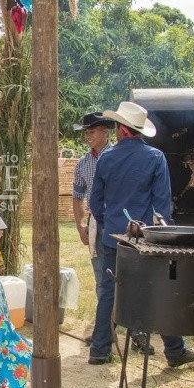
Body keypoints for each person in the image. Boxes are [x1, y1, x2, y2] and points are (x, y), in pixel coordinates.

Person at [88, 102, 194, 367]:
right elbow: (162, 205)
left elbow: (95, 202)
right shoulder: (155, 157)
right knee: (158, 291)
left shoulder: (106, 158)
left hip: (112, 239)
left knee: (109, 292)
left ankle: (99, 351)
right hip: (145, 240)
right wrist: (166, 236)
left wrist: (108, 224)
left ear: (120, 129)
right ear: (137, 130)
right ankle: (175, 351)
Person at [71, 112, 120, 347]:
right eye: (86, 133)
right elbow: (77, 196)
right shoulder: (83, 163)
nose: (87, 137)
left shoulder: (118, 157)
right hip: (96, 224)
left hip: (120, 223)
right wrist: (80, 223)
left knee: (130, 278)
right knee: (102, 277)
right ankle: (105, 330)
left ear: (105, 132)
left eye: (91, 132)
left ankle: (138, 332)